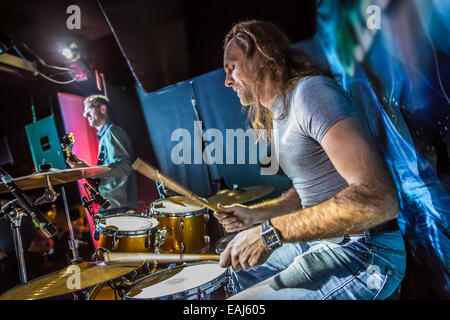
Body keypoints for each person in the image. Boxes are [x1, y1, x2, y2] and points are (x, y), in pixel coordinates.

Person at [214, 20, 406, 300]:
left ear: (263, 56)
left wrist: (270, 233)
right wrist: (256, 215)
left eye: (232, 67)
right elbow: (311, 191)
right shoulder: (280, 111)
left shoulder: (311, 94)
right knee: (237, 269)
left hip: (366, 251)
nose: (227, 81)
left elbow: (379, 200)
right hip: (325, 242)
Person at [66, 95, 138, 214]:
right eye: (85, 113)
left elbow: (125, 166)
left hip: (118, 206)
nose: (87, 115)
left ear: (103, 109)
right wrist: (85, 168)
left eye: (89, 110)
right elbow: (108, 174)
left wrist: (90, 170)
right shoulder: (105, 135)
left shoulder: (111, 131)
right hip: (113, 205)